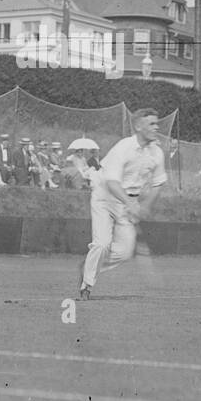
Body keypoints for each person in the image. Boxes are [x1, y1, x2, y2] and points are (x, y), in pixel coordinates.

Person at [78, 108, 168, 300]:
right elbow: (112, 183)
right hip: (105, 197)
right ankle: (86, 285)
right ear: (138, 126)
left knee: (126, 253)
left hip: (129, 202)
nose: (156, 127)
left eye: (157, 123)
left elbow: (158, 183)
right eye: (151, 124)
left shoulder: (157, 153)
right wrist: (131, 203)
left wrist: (145, 206)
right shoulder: (123, 147)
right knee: (101, 244)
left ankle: (89, 266)